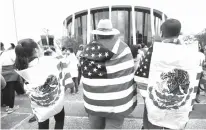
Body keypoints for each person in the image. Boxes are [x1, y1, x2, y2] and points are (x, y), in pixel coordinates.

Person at [134, 19, 203, 129]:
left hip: (154, 105)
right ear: (178, 32)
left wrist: (149, 97)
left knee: (151, 125)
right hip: (179, 108)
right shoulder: (192, 54)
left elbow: (140, 77)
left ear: (161, 33)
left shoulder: (153, 51)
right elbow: (198, 78)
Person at [80, 19, 137, 129]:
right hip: (117, 102)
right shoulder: (123, 48)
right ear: (111, 33)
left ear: (97, 34)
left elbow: (85, 74)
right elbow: (129, 72)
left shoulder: (87, 49)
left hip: (94, 101)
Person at [14, 38, 74, 129]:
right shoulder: (47, 61)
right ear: (36, 50)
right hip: (55, 100)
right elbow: (64, 60)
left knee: (43, 124)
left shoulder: (22, 67)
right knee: (59, 119)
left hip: (39, 103)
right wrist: (55, 49)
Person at [0, 43, 20, 113]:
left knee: (5, 91)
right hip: (11, 73)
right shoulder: (11, 53)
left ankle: (7, 107)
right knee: (11, 91)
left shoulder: (3, 54)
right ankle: (11, 107)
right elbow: (15, 60)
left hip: (3, 73)